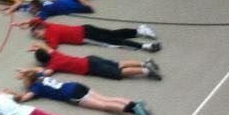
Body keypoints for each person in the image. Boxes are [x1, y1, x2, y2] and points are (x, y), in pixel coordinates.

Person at [13, 69, 153, 115]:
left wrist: (13, 95)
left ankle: (133, 110)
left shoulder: (36, 88)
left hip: (71, 94)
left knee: (103, 106)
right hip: (75, 85)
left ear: (28, 82)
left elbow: (24, 98)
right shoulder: (40, 76)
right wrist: (25, 72)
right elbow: (41, 71)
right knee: (107, 98)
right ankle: (135, 104)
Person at [30, 44, 162, 80]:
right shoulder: (55, 54)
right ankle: (145, 63)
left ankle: (146, 71)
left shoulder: (53, 65)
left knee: (118, 73)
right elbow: (47, 48)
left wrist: (31, 71)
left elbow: (45, 73)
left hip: (89, 67)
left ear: (42, 61)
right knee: (118, 64)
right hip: (90, 58)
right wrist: (36, 47)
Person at [28, 20, 161, 52]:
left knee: (115, 41)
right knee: (112, 33)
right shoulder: (49, 25)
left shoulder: (49, 34)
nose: (38, 36)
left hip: (85, 36)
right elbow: (38, 20)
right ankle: (139, 31)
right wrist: (29, 23)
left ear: (41, 29)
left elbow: (53, 48)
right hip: (85, 28)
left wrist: (40, 46)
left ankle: (145, 46)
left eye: (37, 33)